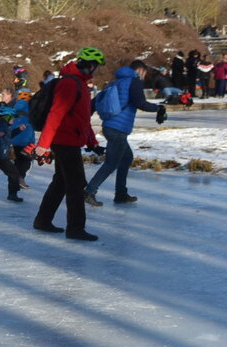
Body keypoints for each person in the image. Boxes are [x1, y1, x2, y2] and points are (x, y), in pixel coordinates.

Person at [31, 47, 105, 241]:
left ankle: (43, 220)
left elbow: (82, 119)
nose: (96, 71)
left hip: (71, 139)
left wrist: (92, 142)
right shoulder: (70, 84)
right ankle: (75, 228)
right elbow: (56, 114)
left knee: (61, 182)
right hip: (64, 141)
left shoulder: (80, 84)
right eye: (95, 67)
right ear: (90, 66)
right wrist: (43, 145)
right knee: (76, 184)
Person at [84, 60, 161, 207]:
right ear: (140, 71)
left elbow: (93, 103)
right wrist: (158, 108)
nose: (144, 77)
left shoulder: (114, 83)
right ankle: (89, 192)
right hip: (117, 130)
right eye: (144, 73)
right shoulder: (134, 82)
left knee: (126, 158)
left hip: (110, 126)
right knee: (111, 162)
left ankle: (121, 193)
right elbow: (140, 103)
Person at [9, 90, 35, 187]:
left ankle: (13, 184)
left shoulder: (14, 107)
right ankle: (20, 178)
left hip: (15, 139)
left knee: (18, 160)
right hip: (26, 140)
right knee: (27, 161)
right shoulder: (30, 108)